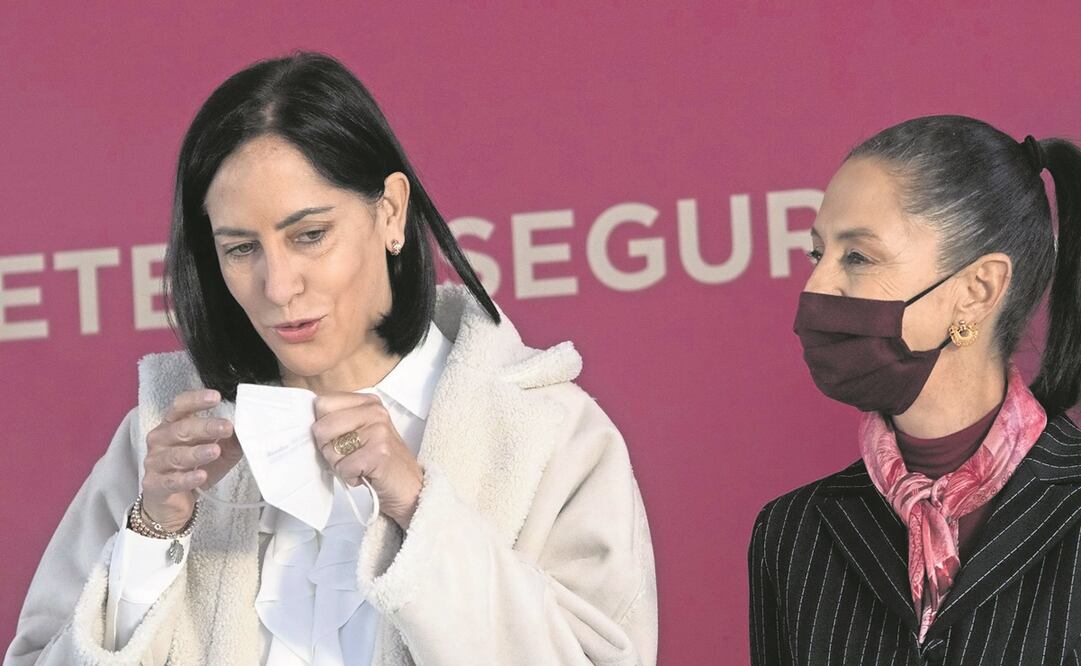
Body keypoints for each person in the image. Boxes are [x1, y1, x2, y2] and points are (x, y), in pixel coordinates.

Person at [6, 52, 657, 665]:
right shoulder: (163, 446)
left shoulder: (547, 434)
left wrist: (418, 505)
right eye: (240, 249)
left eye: (309, 235)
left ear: (391, 212)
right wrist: (153, 531)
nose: (279, 286)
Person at [749, 115, 1081, 665]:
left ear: (977, 290)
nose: (816, 286)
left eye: (857, 256)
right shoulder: (792, 533)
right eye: (817, 254)